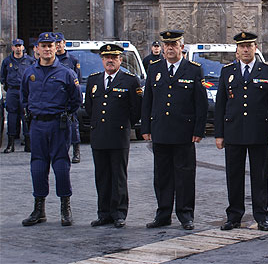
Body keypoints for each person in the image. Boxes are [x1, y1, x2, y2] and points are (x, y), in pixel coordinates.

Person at [214, 32, 268, 232]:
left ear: (255, 48)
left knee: (259, 177)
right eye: (242, 46)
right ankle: (234, 215)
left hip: (259, 132)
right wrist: (219, 134)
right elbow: (221, 105)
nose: (245, 49)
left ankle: (262, 216)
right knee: (233, 176)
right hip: (233, 131)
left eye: (249, 46)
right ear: (237, 50)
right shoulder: (227, 72)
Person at [141, 30, 208, 230]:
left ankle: (186, 214)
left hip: (184, 132)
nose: (170, 48)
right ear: (162, 48)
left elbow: (200, 103)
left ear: (181, 47)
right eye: (167, 44)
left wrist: (198, 129)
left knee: (185, 176)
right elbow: (148, 101)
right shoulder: (154, 68)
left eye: (174, 44)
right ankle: (163, 214)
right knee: (162, 176)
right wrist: (145, 127)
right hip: (160, 130)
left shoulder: (194, 69)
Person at [21, 32, 82, 227]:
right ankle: (39, 209)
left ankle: (65, 207)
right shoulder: (29, 73)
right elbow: (24, 98)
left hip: (59, 125)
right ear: (36, 49)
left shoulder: (67, 73)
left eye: (51, 46)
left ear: (57, 48)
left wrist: (62, 115)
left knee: (61, 166)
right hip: (37, 125)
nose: (47, 49)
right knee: (38, 166)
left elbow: (75, 101)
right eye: (43, 46)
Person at [84, 44, 142, 228]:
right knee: (102, 176)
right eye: (106, 57)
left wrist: (124, 125)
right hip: (99, 135)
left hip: (118, 135)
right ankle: (104, 213)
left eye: (114, 57)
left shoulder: (130, 81)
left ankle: (118, 213)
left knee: (118, 176)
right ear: (102, 60)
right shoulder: (94, 80)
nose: (110, 60)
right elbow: (89, 107)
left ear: (120, 60)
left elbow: (136, 110)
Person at [1, 39, 35, 152]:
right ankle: (11, 144)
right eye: (16, 46)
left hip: (25, 91)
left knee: (26, 115)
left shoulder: (30, 61)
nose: (18, 48)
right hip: (12, 91)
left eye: (20, 46)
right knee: (11, 116)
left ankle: (28, 142)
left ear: (23, 47)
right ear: (12, 48)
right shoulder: (7, 61)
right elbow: (3, 77)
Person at [54, 32, 82, 163]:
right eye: (56, 43)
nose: (58, 45)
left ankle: (76, 151)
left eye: (60, 42)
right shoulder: (51, 60)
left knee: (73, 126)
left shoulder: (72, 60)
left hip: (68, 99)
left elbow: (77, 80)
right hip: (54, 99)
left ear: (64, 43)